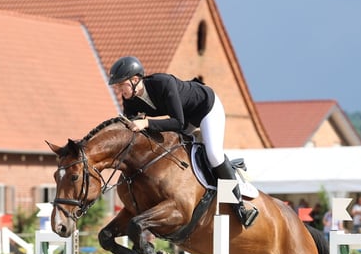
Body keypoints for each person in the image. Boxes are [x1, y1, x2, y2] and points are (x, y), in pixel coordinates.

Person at [107, 55, 258, 227]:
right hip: (185, 118)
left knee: (214, 155)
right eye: (117, 86)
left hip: (206, 108)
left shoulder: (163, 83)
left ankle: (239, 207)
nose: (120, 90)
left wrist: (146, 122)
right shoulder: (130, 100)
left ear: (135, 80)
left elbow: (177, 123)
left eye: (121, 85)